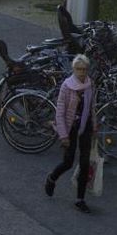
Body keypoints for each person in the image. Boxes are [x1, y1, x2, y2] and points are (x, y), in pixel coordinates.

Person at [44, 54, 96, 213]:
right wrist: (63, 135)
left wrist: (94, 124)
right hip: (71, 127)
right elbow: (60, 112)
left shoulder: (90, 84)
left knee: (85, 163)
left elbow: (93, 105)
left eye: (85, 69)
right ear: (74, 69)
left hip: (85, 125)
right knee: (68, 161)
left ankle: (80, 199)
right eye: (79, 69)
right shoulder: (67, 86)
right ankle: (52, 178)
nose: (82, 72)